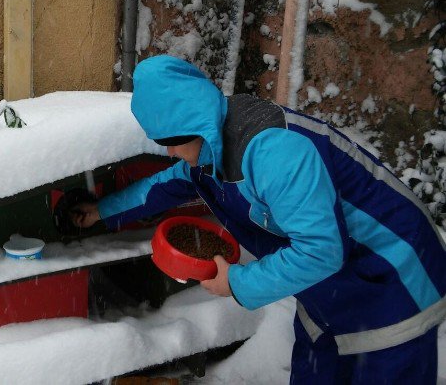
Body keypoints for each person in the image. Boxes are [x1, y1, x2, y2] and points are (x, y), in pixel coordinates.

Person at [72, 54, 446, 383]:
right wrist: (102, 212)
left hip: (393, 276)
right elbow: (167, 185)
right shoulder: (210, 148)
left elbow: (320, 252)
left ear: (197, 126)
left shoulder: (275, 153)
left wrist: (238, 283)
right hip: (333, 288)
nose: (168, 151)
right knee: (318, 369)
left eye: (171, 141)